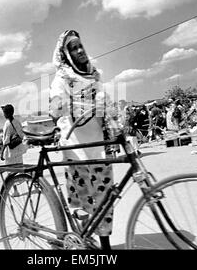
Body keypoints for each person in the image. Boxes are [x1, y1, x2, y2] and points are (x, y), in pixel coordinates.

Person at [49, 30, 119, 250]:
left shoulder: (93, 74)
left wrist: (113, 116)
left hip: (99, 144)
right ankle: (83, 241)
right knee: (83, 198)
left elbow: (105, 103)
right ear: (66, 54)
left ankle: (104, 245)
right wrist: (65, 105)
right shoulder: (62, 79)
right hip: (76, 148)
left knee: (105, 197)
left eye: (80, 45)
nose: (80, 50)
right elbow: (54, 108)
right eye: (73, 48)